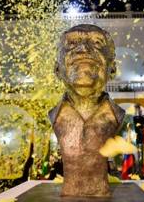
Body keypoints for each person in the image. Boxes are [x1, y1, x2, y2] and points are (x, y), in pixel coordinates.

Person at [48, 24, 125, 197]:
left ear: (112, 69)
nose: (83, 49)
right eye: (72, 43)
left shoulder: (115, 115)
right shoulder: (55, 116)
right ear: (57, 69)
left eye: (97, 43)